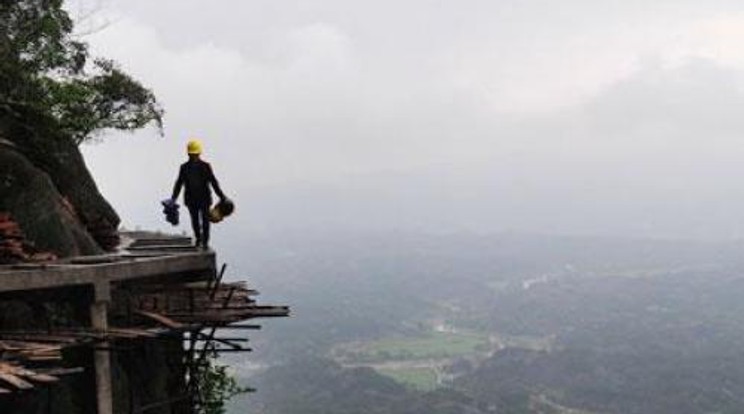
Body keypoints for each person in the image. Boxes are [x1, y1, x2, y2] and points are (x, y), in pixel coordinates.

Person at [171, 139, 227, 249]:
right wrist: (222, 196)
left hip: (194, 199)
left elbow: (179, 184)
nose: (194, 157)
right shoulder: (205, 166)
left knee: (198, 220)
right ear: (199, 153)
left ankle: (201, 241)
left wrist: (174, 198)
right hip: (202, 199)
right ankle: (203, 242)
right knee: (202, 220)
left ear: (188, 153)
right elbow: (213, 182)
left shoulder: (185, 167)